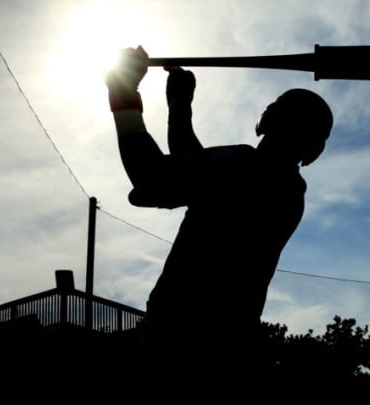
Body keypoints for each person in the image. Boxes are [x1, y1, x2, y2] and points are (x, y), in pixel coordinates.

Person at [105, 46, 333, 396]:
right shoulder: (286, 190)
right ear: (313, 148)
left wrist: (123, 94)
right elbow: (193, 164)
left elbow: (153, 177)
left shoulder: (246, 168)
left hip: (181, 338)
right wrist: (179, 106)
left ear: (269, 118)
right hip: (230, 343)